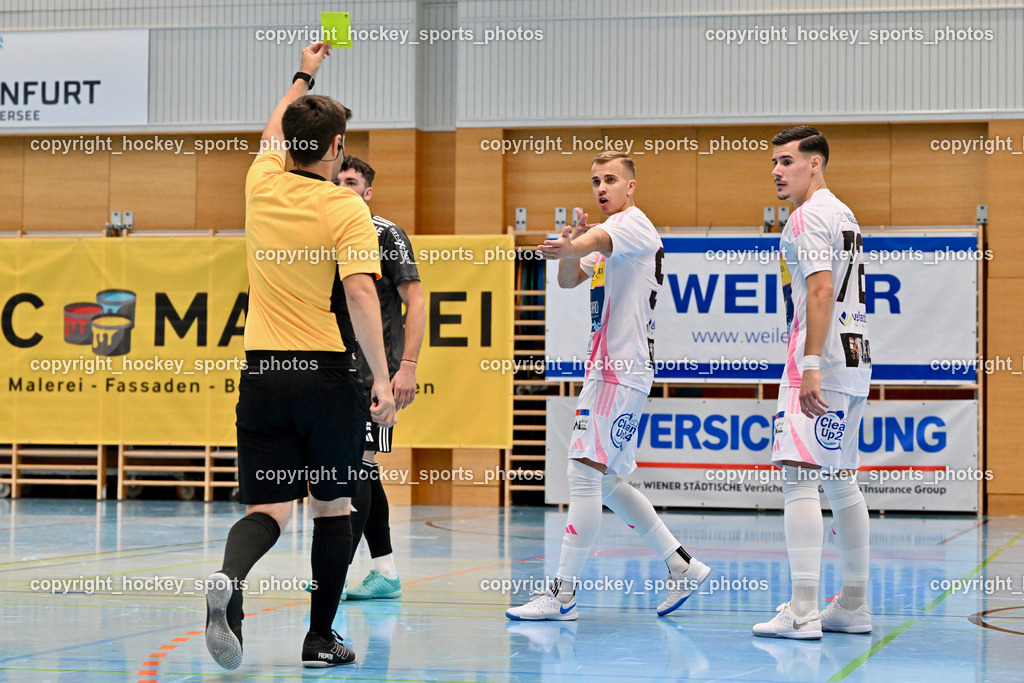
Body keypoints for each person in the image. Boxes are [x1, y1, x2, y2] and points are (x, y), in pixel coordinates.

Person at [203, 41, 397, 670]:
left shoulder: (261, 183)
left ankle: (231, 579)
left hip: (263, 375)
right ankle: (319, 639)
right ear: (337, 147)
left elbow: (272, 129)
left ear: (287, 144)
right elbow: (360, 294)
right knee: (334, 506)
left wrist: (304, 74)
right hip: (325, 377)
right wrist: (384, 378)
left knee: (268, 508)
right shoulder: (345, 206)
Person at [506, 151, 710, 621]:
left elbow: (596, 240)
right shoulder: (611, 235)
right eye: (596, 181)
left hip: (618, 371)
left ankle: (562, 595)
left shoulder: (631, 225)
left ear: (631, 186)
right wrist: (569, 249)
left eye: (611, 180)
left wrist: (575, 244)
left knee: (583, 474)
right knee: (608, 481)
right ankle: (682, 565)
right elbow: (568, 280)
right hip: (614, 370)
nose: (602, 188)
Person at [754, 126, 872, 640]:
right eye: (774, 163)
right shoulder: (844, 214)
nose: (777, 171)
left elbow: (821, 291)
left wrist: (809, 364)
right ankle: (853, 604)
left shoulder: (806, 217)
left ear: (815, 163)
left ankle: (802, 610)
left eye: (787, 161)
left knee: (799, 477)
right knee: (841, 479)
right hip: (856, 358)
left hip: (821, 360)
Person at [333, 155, 425, 600]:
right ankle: (385, 571)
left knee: (360, 468)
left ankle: (334, 575)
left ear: (367, 193)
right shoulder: (325, 233)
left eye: (351, 182)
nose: (342, 187)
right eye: (337, 181)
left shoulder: (386, 234)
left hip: (375, 375)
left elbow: (416, 302)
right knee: (359, 472)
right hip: (333, 370)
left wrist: (406, 366)